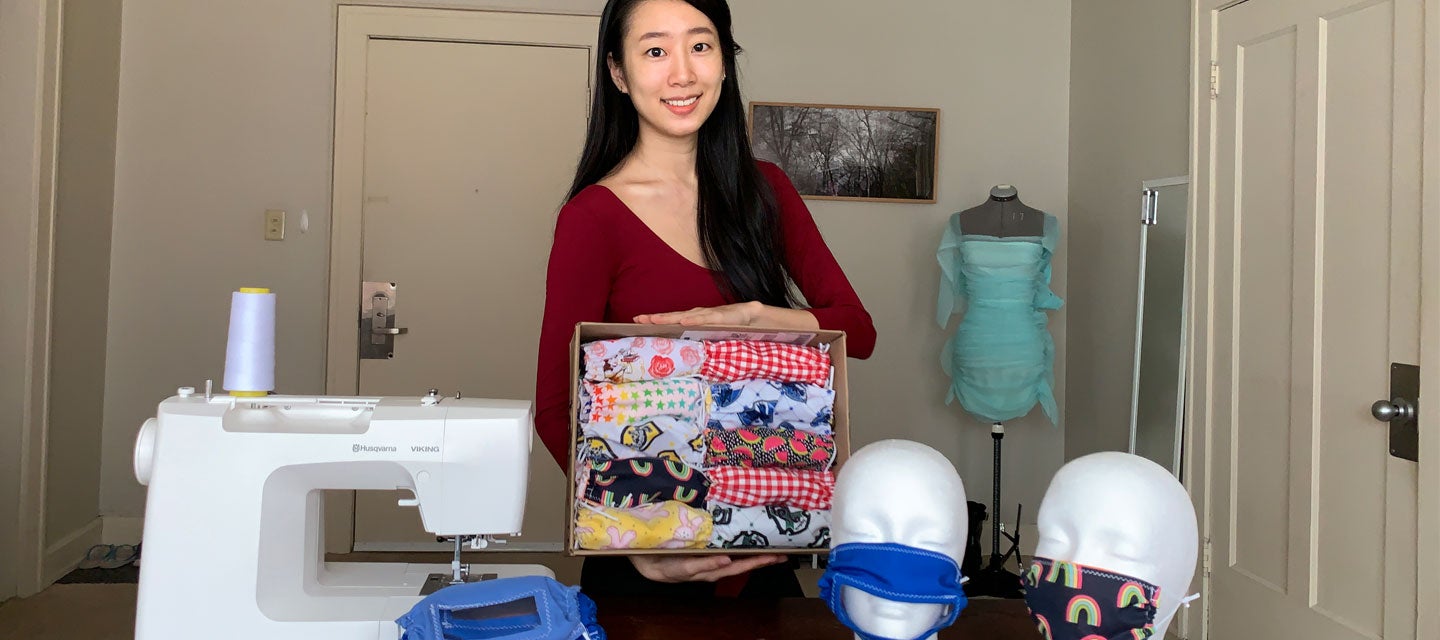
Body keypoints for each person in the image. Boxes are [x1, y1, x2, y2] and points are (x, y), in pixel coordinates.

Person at [534, 0, 877, 598]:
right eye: (655, 51)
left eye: (700, 45)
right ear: (618, 73)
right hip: (646, 567)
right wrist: (636, 539)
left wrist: (755, 316)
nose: (682, 74)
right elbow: (555, 406)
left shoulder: (766, 189)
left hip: (763, 558)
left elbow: (858, 331)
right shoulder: (592, 217)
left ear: (724, 61)